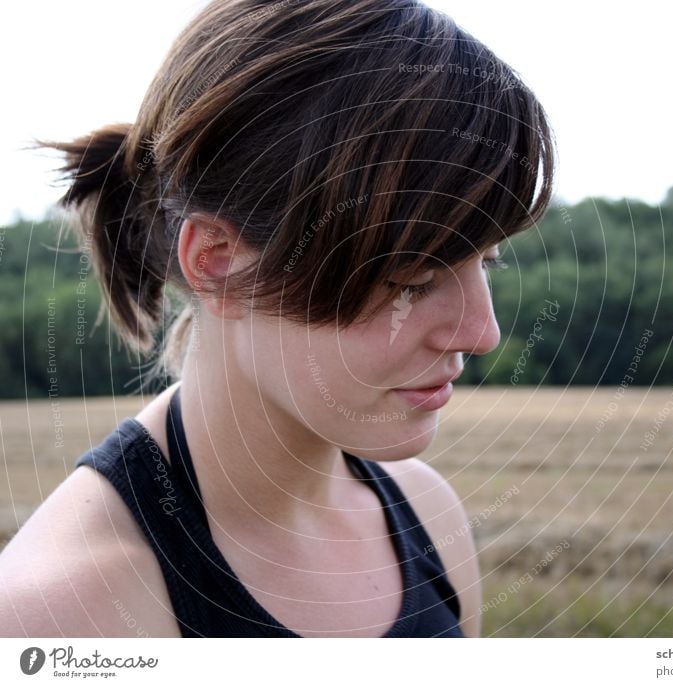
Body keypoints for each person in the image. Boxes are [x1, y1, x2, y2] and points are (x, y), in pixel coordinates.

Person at [0, 0, 554, 637]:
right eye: (413, 278)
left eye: (487, 261)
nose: (482, 333)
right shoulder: (69, 613)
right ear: (218, 264)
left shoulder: (430, 515)